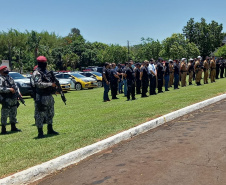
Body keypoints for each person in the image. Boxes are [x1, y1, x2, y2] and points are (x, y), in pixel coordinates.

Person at [31, 56, 58, 138]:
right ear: (40, 63)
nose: (45, 64)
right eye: (44, 63)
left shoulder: (47, 72)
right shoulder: (36, 73)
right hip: (41, 97)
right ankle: (40, 132)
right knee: (40, 114)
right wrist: (50, 84)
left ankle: (50, 129)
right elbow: (38, 84)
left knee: (50, 113)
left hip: (49, 96)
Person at [0, 66, 21, 134]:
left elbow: (15, 85)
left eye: (6, 69)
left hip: (13, 97)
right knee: (5, 114)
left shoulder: (10, 77)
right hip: (6, 98)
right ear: (1, 71)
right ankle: (3, 129)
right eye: (4, 69)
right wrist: (9, 89)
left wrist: (19, 92)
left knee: (13, 112)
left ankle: (13, 127)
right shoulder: (0, 78)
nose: (6, 70)